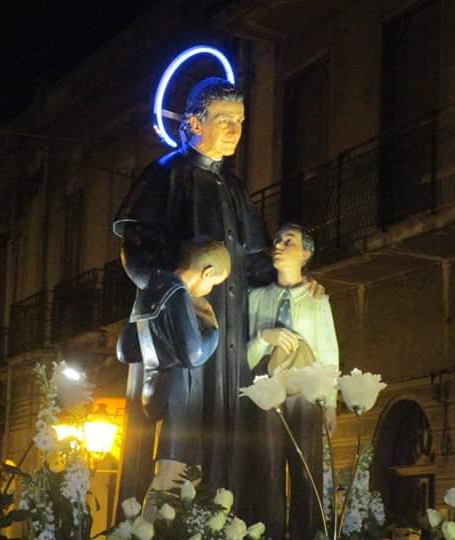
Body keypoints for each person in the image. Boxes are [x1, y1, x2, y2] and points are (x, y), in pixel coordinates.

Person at [113, 77, 275, 516]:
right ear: (192, 123)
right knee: (180, 428)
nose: (234, 129)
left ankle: (220, 515)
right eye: (223, 119)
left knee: (229, 437)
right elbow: (136, 250)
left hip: (231, 336)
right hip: (181, 327)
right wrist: (178, 285)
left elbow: (256, 264)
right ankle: (162, 518)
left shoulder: (235, 188)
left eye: (240, 121)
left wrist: (295, 285)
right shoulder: (165, 173)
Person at [116, 238, 230, 496]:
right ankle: (151, 532)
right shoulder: (177, 293)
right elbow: (193, 354)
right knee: (173, 475)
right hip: (180, 391)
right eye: (213, 282)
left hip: (156, 386)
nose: (210, 289)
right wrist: (213, 330)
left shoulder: (152, 287)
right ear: (207, 271)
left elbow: (125, 350)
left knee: (181, 474)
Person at [247, 223, 339, 540]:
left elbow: (328, 353)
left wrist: (329, 405)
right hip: (267, 392)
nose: (280, 245)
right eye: (277, 240)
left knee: (305, 468)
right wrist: (263, 338)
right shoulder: (256, 298)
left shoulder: (317, 301)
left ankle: (308, 533)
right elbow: (243, 356)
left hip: (305, 393)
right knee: (268, 469)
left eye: (290, 241)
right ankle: (267, 533)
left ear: (305, 254)